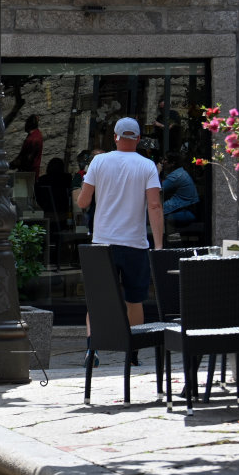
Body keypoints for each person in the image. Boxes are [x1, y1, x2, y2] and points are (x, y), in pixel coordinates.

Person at [77, 119, 164, 364]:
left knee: (97, 299)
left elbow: (83, 201)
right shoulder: (147, 166)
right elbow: (154, 206)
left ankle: (92, 349)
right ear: (137, 139)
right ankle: (132, 352)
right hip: (134, 243)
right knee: (134, 300)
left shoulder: (99, 161)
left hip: (103, 242)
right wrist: (158, 245)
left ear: (115, 136)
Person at [159, 152, 200, 229]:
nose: (162, 162)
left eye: (165, 160)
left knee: (154, 217)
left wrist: (157, 172)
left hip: (184, 213)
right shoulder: (179, 172)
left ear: (172, 163)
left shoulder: (176, 176)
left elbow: (157, 189)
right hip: (184, 210)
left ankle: (173, 240)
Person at [37, 156, 75, 224]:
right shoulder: (67, 178)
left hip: (48, 212)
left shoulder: (42, 180)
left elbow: (38, 196)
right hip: (63, 212)